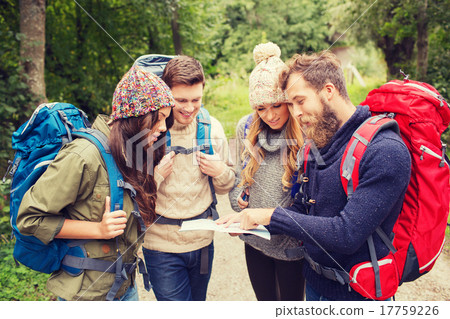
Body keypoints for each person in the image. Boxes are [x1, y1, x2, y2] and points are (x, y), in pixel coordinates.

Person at [218, 51, 411, 301]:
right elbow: (303, 208)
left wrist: (270, 215)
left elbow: (346, 234)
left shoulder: (385, 150)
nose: (295, 113)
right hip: (315, 282)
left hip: (356, 293)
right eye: (291, 104)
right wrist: (252, 219)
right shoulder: (318, 141)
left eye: (299, 101)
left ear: (328, 91)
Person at [16, 65, 175, 301]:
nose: (163, 127)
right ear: (136, 115)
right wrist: (97, 229)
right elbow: (29, 219)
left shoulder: (132, 151)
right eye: (159, 117)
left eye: (166, 118)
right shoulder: (83, 156)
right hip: (87, 296)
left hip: (125, 287)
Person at [142, 55, 235, 301]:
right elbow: (135, 196)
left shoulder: (210, 127)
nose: (189, 108)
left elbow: (226, 186)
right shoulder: (150, 132)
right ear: (165, 95)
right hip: (162, 247)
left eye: (196, 100)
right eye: (180, 100)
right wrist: (156, 176)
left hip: (203, 243)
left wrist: (221, 172)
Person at [228, 42, 305, 301]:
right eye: (261, 108)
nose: (270, 115)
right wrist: (240, 200)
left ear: (288, 101)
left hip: (292, 246)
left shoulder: (305, 132)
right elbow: (240, 179)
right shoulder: (246, 128)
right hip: (256, 242)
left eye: (276, 105)